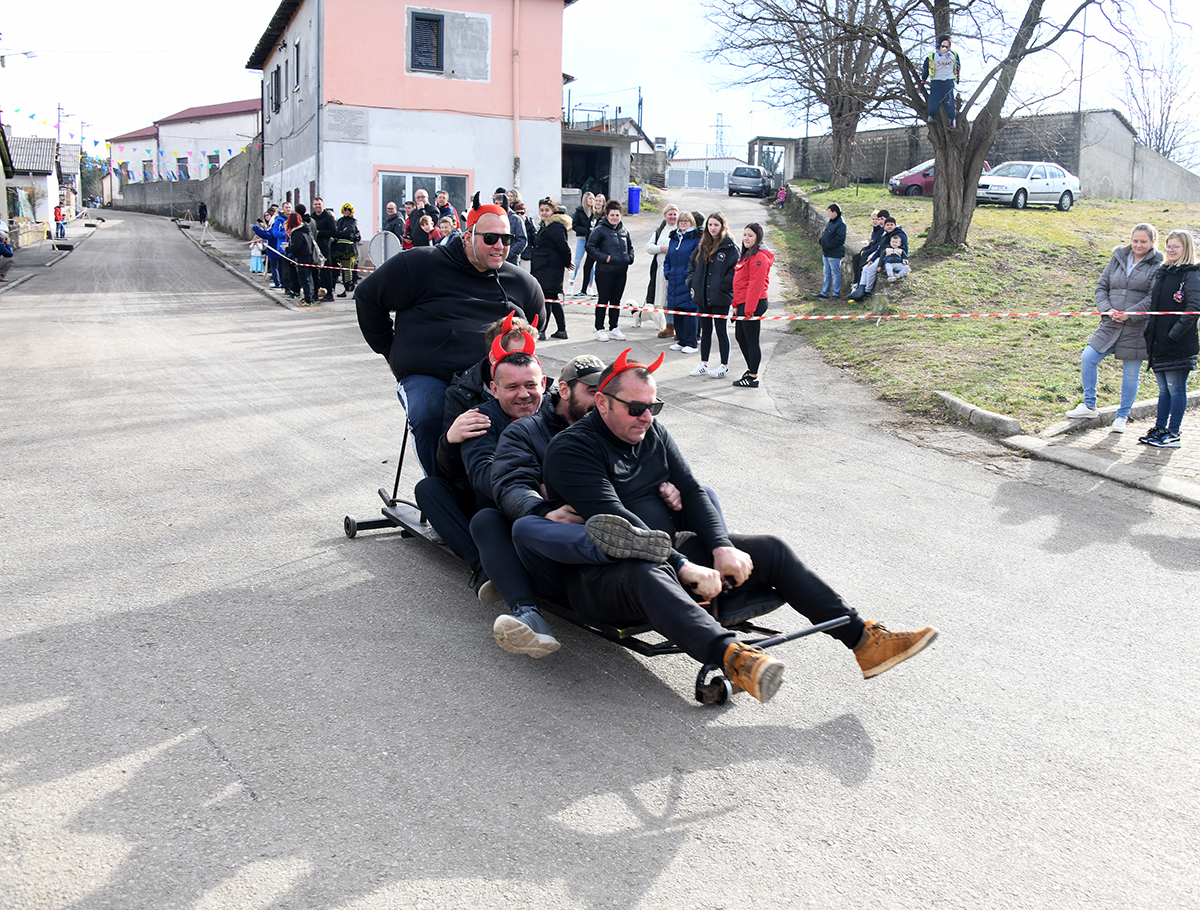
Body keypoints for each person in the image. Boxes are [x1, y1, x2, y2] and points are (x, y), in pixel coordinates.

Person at [514, 351, 937, 703]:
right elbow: (621, 525)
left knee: (769, 548)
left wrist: (718, 547)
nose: (647, 417)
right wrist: (683, 564)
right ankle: (735, 658)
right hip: (603, 574)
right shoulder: (571, 450)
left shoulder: (653, 433)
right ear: (603, 403)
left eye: (654, 407)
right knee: (645, 568)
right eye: (637, 408)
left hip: (669, 551)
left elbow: (693, 490)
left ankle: (864, 641)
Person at [354, 192, 544, 477]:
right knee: (430, 413)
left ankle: (521, 490)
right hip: (430, 377)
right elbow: (367, 297)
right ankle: (441, 493)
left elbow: (536, 327)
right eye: (490, 238)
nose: (499, 246)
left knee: (547, 409)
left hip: (493, 379)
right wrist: (390, 350)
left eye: (506, 239)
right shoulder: (419, 264)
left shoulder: (522, 283)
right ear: (468, 236)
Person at [486, 354, 607, 656]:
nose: (602, 401)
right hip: (554, 537)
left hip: (606, 525)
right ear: (564, 391)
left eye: (606, 392)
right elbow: (508, 483)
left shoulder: (615, 421)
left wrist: (664, 484)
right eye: (593, 392)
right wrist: (545, 509)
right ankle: (527, 612)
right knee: (489, 518)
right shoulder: (525, 430)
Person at [1064, 224, 1163, 432]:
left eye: (1143, 241)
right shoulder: (1117, 257)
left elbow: (1154, 296)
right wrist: (1107, 308)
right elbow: (1101, 286)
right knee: (1088, 357)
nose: (1138, 245)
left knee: (1130, 374)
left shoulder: (1158, 264)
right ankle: (1089, 405)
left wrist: (1132, 313)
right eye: (1135, 240)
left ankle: (1122, 415)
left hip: (1136, 328)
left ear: (1153, 242)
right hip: (1109, 324)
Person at [1138, 229, 1200, 448]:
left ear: (1186, 249)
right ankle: (1160, 427)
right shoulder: (1163, 271)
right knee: (1163, 390)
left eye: (1176, 246)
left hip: (1177, 343)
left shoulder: (1191, 274)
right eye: (1169, 246)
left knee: (1176, 389)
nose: (1171, 250)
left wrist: (1173, 335)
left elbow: (1193, 309)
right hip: (1158, 342)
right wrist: (1150, 332)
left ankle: (1173, 432)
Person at [687, 212, 739, 378]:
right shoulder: (703, 244)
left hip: (720, 297)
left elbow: (734, 270)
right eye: (710, 225)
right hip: (703, 295)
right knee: (705, 330)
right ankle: (704, 363)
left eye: (716, 225)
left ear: (722, 226)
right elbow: (691, 264)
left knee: (721, 330)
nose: (713, 228)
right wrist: (692, 281)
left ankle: (724, 365)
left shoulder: (730, 247)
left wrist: (725, 286)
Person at [731, 223, 774, 388]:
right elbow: (740, 282)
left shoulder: (759, 257)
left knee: (751, 340)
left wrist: (748, 310)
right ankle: (750, 370)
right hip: (743, 302)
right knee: (740, 337)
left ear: (758, 238)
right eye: (745, 235)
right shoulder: (748, 255)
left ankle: (753, 377)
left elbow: (755, 286)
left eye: (750, 235)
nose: (746, 238)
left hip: (753, 303)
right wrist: (736, 304)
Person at [587, 199, 635, 342]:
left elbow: (630, 247)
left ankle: (614, 328)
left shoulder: (624, 230)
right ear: (607, 215)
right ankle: (600, 329)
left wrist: (629, 258)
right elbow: (590, 247)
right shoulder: (600, 229)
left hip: (621, 271)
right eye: (612, 215)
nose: (615, 217)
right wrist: (605, 258)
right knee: (603, 299)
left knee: (616, 301)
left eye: (617, 215)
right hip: (605, 272)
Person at [531, 197, 574, 339]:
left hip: (550, 269)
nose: (544, 213)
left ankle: (542, 330)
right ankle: (561, 330)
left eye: (547, 210)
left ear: (552, 211)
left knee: (548, 299)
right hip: (544, 267)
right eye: (542, 210)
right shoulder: (545, 226)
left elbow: (563, 247)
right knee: (552, 299)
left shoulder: (555, 226)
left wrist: (567, 262)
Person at [664, 210, 702, 354]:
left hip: (687, 280)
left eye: (686, 221)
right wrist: (667, 273)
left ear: (692, 223)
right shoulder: (674, 238)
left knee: (690, 311)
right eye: (681, 221)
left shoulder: (695, 239)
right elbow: (668, 258)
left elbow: (696, 259)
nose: (683, 223)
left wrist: (685, 275)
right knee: (677, 309)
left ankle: (691, 342)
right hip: (673, 279)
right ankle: (681, 340)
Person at [846, 215, 908, 300]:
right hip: (883, 256)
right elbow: (880, 250)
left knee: (871, 269)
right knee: (865, 268)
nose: (889, 227)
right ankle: (861, 288)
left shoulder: (899, 235)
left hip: (892, 259)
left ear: (895, 225)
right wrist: (872, 259)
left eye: (891, 225)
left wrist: (904, 260)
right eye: (887, 225)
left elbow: (905, 251)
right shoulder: (885, 235)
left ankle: (867, 292)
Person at [643, 204, 678, 338]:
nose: (672, 217)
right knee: (665, 300)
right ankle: (669, 326)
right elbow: (649, 247)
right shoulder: (660, 231)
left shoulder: (681, 230)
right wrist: (661, 249)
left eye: (675, 214)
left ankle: (678, 327)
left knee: (676, 300)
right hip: (661, 270)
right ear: (665, 216)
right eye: (670, 214)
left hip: (676, 270)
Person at [921, 34, 961, 128]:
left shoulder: (953, 55)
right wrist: (923, 79)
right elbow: (926, 68)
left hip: (948, 82)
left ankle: (952, 119)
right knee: (934, 100)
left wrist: (958, 76)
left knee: (949, 102)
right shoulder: (932, 56)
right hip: (936, 82)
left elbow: (958, 66)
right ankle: (932, 115)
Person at [283, 212, 315, 304]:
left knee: (304, 279)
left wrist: (287, 249)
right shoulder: (305, 229)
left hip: (303, 257)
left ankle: (308, 299)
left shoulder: (297, 233)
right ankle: (307, 297)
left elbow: (296, 247)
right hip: (307, 256)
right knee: (306, 278)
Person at [310, 197, 338, 300]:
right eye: (316, 204)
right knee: (314, 271)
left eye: (319, 204)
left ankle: (329, 293)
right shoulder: (312, 217)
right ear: (313, 206)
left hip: (324, 247)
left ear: (322, 205)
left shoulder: (328, 217)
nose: (317, 206)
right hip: (314, 247)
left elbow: (333, 231)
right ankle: (316, 293)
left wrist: (320, 233)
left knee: (326, 270)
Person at [568, 191, 596, 296]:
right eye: (590, 199)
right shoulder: (579, 211)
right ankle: (571, 284)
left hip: (592, 240)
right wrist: (587, 230)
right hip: (582, 238)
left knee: (591, 265)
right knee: (577, 262)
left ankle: (590, 286)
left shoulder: (594, 213)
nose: (592, 201)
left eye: (593, 199)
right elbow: (575, 226)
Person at [818, 204, 846, 299]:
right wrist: (822, 241)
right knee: (827, 273)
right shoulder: (832, 222)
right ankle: (825, 292)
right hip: (827, 252)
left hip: (834, 253)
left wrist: (828, 245)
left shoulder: (840, 223)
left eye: (830, 212)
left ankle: (836, 293)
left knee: (835, 273)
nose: (828, 214)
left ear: (835, 212)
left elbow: (840, 239)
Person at [492, 190, 528, 263]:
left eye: (501, 203)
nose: (498, 206)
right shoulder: (492, 218)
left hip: (511, 261)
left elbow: (522, 241)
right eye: (496, 203)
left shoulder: (516, 219)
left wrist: (507, 254)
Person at [334, 203, 361, 297]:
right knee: (343, 269)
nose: (346, 211)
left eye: (348, 210)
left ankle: (350, 290)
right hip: (339, 247)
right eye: (345, 209)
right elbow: (335, 232)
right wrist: (341, 232)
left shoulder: (352, 221)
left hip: (348, 248)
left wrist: (340, 232)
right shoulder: (340, 220)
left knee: (348, 269)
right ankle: (346, 290)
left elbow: (348, 233)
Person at [852, 210, 886, 286]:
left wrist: (866, 253)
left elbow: (877, 247)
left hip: (874, 254)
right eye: (873, 219)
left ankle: (860, 285)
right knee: (856, 258)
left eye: (877, 219)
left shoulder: (882, 231)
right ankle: (855, 282)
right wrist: (863, 249)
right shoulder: (875, 230)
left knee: (862, 264)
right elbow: (871, 244)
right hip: (870, 252)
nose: (875, 221)